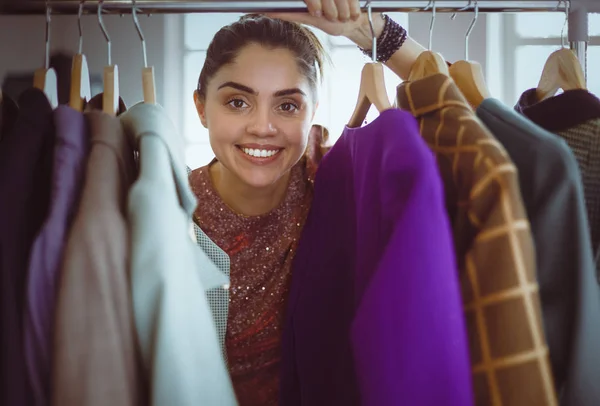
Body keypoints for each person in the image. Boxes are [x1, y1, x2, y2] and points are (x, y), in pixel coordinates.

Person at [188, 1, 425, 404]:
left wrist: (364, 30)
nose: (262, 127)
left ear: (312, 112)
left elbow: (471, 113)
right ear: (201, 109)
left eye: (287, 105)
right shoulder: (168, 210)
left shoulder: (337, 181)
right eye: (237, 102)